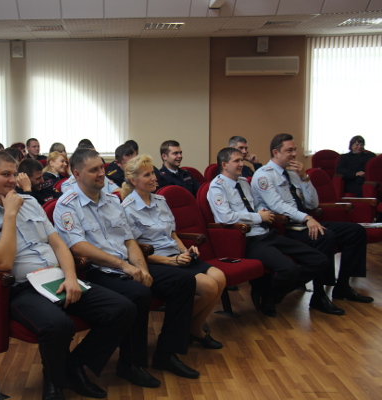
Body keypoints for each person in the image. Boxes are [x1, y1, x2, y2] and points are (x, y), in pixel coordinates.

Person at [0, 151, 136, 400]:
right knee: (59, 326)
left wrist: (71, 277)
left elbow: (58, 244)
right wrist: (10, 214)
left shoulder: (30, 202)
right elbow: (3, 262)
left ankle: (74, 367)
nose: (12, 180)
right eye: (5, 174)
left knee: (122, 309)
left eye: (14, 174)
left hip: (56, 277)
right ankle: (53, 384)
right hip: (19, 287)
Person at [54, 148, 200, 388]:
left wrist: (142, 268)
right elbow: (78, 246)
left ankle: (167, 353)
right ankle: (131, 364)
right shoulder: (67, 205)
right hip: (97, 271)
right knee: (139, 293)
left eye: (102, 168)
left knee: (183, 281)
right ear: (77, 174)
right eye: (94, 170)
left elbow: (130, 240)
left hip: (125, 267)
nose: (102, 173)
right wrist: (126, 267)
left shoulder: (112, 201)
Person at [252, 134, 373, 315]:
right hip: (286, 227)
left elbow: (312, 204)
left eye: (295, 150)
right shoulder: (264, 175)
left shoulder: (292, 173)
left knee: (355, 231)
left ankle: (343, 286)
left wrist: (304, 178)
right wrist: (307, 219)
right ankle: (319, 295)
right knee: (325, 236)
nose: (294, 154)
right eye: (289, 151)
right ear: (276, 152)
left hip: (305, 221)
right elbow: (278, 206)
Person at [208, 147, 329, 316]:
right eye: (236, 161)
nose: (241, 164)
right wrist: (258, 217)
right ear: (224, 164)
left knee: (320, 260)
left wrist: (262, 211)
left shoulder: (243, 182)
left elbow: (255, 204)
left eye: (241, 160)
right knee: (289, 269)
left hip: (267, 233)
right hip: (248, 239)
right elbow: (226, 217)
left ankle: (270, 294)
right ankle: (269, 296)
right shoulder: (217, 187)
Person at [122, 155, 225, 347]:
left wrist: (186, 250)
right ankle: (185, 329)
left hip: (177, 256)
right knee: (209, 286)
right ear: (134, 181)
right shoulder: (127, 209)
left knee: (220, 277)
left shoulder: (161, 200)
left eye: (153, 173)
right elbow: (135, 252)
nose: (154, 178)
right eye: (147, 175)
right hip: (156, 262)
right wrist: (171, 261)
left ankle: (193, 327)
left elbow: (173, 235)